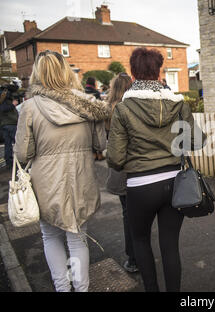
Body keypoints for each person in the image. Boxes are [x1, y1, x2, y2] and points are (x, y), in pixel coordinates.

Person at [107, 47, 204, 292]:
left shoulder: (122, 108)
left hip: (140, 186)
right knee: (170, 245)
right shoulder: (178, 104)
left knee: (140, 241)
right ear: (158, 71)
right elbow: (195, 141)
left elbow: (116, 159)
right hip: (174, 182)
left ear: (133, 73)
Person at [14, 50, 109, 292]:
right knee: (78, 237)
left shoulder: (29, 107)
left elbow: (23, 154)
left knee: (50, 236)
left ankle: (62, 288)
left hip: (45, 182)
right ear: (66, 70)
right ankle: (82, 288)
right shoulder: (89, 104)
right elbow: (100, 145)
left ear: (37, 72)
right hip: (81, 178)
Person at [104, 72, 138, 273]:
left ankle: (133, 258)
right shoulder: (132, 107)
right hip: (136, 165)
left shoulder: (108, 110)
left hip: (118, 167)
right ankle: (140, 254)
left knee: (128, 214)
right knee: (140, 214)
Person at [0, 82, 19, 169]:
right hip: (10, 124)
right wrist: (13, 105)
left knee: (8, 144)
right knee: (17, 142)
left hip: (5, 124)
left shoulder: (4, 99)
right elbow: (3, 109)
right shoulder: (3, 100)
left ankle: (9, 161)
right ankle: (16, 161)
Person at [85, 77, 105, 160]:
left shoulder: (83, 91)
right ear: (93, 83)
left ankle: (93, 153)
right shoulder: (96, 92)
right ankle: (100, 154)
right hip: (97, 116)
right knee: (98, 134)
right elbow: (99, 104)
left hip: (87, 116)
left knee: (90, 134)